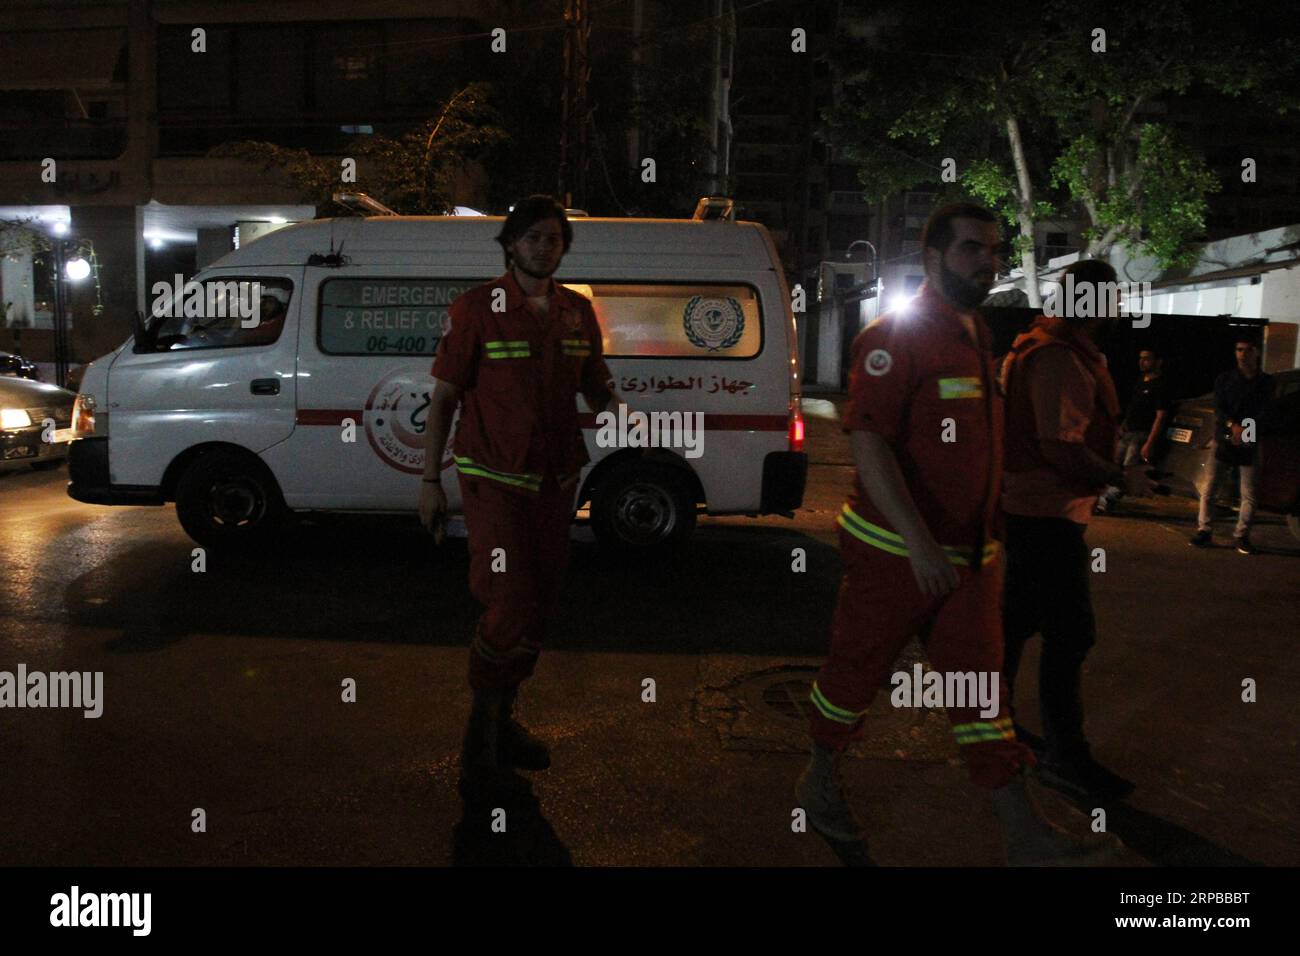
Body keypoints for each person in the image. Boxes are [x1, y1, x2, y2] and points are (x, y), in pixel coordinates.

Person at [798, 203, 1115, 865]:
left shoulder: (976, 331)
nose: (988, 262)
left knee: (982, 698)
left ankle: (1026, 839)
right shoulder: (898, 335)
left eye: (994, 251)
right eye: (972, 250)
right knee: (853, 676)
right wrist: (916, 543)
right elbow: (869, 442)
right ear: (933, 257)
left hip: (971, 559)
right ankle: (819, 787)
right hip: (895, 555)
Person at [419, 195, 621, 791]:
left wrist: (627, 412)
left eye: (554, 238)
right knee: (508, 599)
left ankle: (505, 723)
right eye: (532, 237)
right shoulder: (477, 308)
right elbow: (444, 399)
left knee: (541, 603)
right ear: (510, 245)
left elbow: (596, 384)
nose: (544, 246)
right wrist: (430, 481)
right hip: (494, 480)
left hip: (556, 480)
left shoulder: (577, 312)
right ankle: (478, 739)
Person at [1000, 258, 1154, 803]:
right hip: (1047, 517)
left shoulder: (1044, 346)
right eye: (1111, 297)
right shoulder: (1060, 359)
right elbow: (1058, 447)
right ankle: (1065, 758)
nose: (1117, 306)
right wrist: (1117, 476)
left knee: (1016, 624)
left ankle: (994, 729)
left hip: (1028, 512)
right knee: (1070, 636)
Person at [1190, 334, 1274, 554]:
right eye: (1238, 350)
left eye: (1247, 350)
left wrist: (1246, 428)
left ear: (1256, 352)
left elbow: (1265, 411)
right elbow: (1219, 408)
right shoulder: (1225, 379)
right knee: (1210, 486)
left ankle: (1242, 536)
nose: (1242, 354)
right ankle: (1204, 530)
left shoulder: (1265, 382)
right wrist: (1232, 425)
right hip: (1225, 436)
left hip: (1250, 436)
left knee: (1249, 491)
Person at [1096, 347, 1171, 513]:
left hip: (1141, 434)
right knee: (1114, 465)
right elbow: (1132, 406)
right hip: (1128, 432)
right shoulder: (1140, 381)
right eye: (1141, 358)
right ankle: (1103, 499)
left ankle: (1108, 500)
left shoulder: (1160, 385)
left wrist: (1150, 442)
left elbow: (1160, 416)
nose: (1142, 362)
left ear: (1158, 362)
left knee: (1130, 469)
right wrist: (1123, 424)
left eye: (1147, 359)